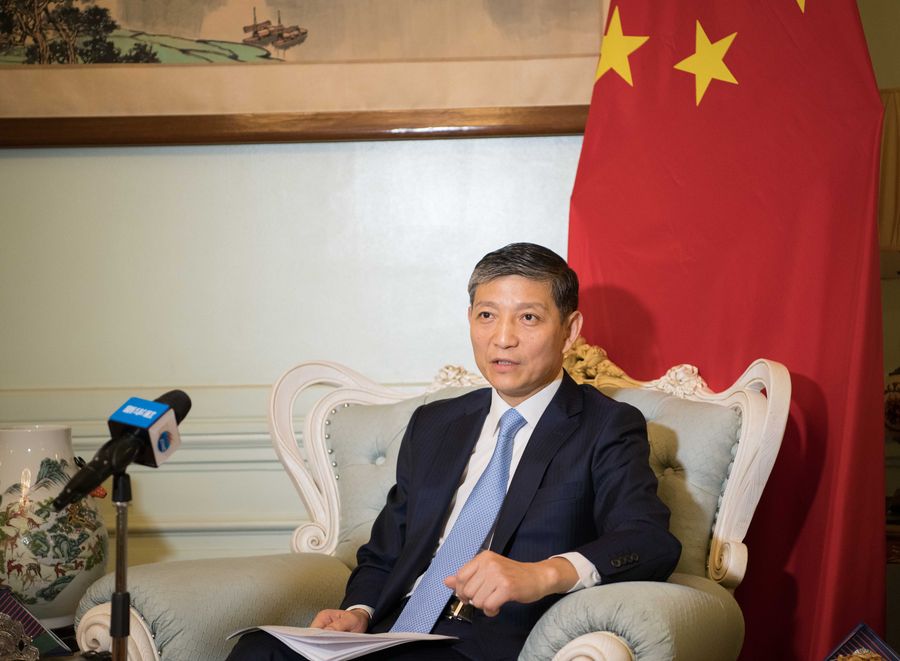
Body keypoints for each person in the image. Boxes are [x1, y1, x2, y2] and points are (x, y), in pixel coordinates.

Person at [227, 243, 681, 661]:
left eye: (528, 318)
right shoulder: (435, 423)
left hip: (484, 644)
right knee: (259, 650)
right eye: (487, 316)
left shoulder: (605, 426)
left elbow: (648, 539)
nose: (502, 338)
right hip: (390, 633)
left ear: (569, 331)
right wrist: (359, 611)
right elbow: (385, 552)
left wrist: (542, 574)